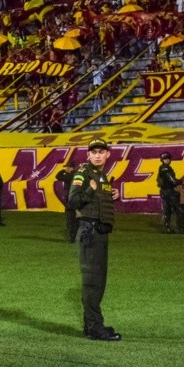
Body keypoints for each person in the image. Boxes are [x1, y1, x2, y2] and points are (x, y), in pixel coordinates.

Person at [67, 138, 121, 342]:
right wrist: (89, 188)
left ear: (108, 154)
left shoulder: (100, 175)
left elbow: (98, 199)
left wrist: (112, 194)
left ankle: (92, 325)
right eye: (94, 152)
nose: (97, 155)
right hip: (90, 232)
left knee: (98, 280)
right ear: (87, 155)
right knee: (93, 281)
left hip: (99, 233)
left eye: (101, 151)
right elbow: (72, 202)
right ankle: (95, 327)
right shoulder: (84, 173)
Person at [157, 152, 184, 234]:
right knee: (179, 209)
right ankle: (180, 227)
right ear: (162, 160)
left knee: (167, 210)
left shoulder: (163, 168)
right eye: (165, 159)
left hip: (165, 191)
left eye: (168, 158)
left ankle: (167, 227)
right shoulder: (165, 168)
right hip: (169, 191)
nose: (167, 160)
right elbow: (171, 180)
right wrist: (179, 181)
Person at [55, 162, 78, 243]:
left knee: (71, 220)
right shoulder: (78, 175)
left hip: (71, 200)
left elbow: (58, 176)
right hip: (78, 200)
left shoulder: (70, 175)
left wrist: (62, 171)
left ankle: (72, 238)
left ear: (71, 168)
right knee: (77, 220)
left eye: (67, 167)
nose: (66, 169)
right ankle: (78, 238)